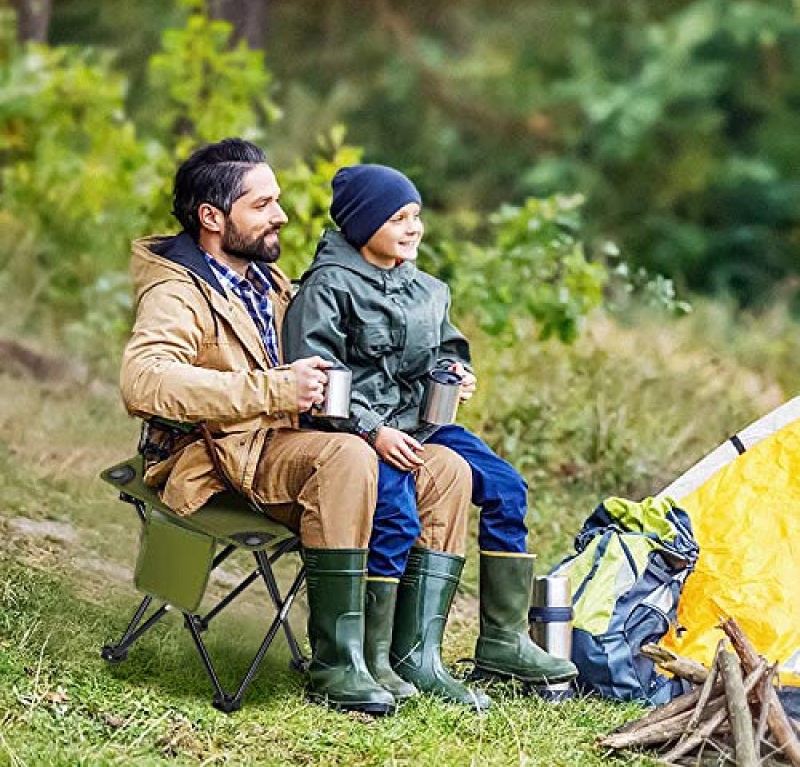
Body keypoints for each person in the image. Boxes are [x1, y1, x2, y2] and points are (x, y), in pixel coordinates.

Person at [119, 140, 473, 715]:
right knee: (347, 459)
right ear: (212, 218)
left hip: (293, 442)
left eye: (277, 201)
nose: (280, 215)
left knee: (446, 470)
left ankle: (407, 657)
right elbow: (145, 381)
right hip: (223, 455)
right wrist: (273, 388)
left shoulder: (268, 281)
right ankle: (338, 662)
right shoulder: (176, 291)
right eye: (262, 205)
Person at [283, 164, 578, 706]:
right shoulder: (327, 288)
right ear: (361, 224)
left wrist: (455, 374)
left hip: (426, 423)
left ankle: (501, 640)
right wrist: (372, 434)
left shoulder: (428, 290)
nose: (412, 227)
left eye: (416, 215)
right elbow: (318, 378)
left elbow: (446, 348)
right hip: (361, 433)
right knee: (398, 517)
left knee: (508, 489)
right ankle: (376, 660)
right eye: (396, 217)